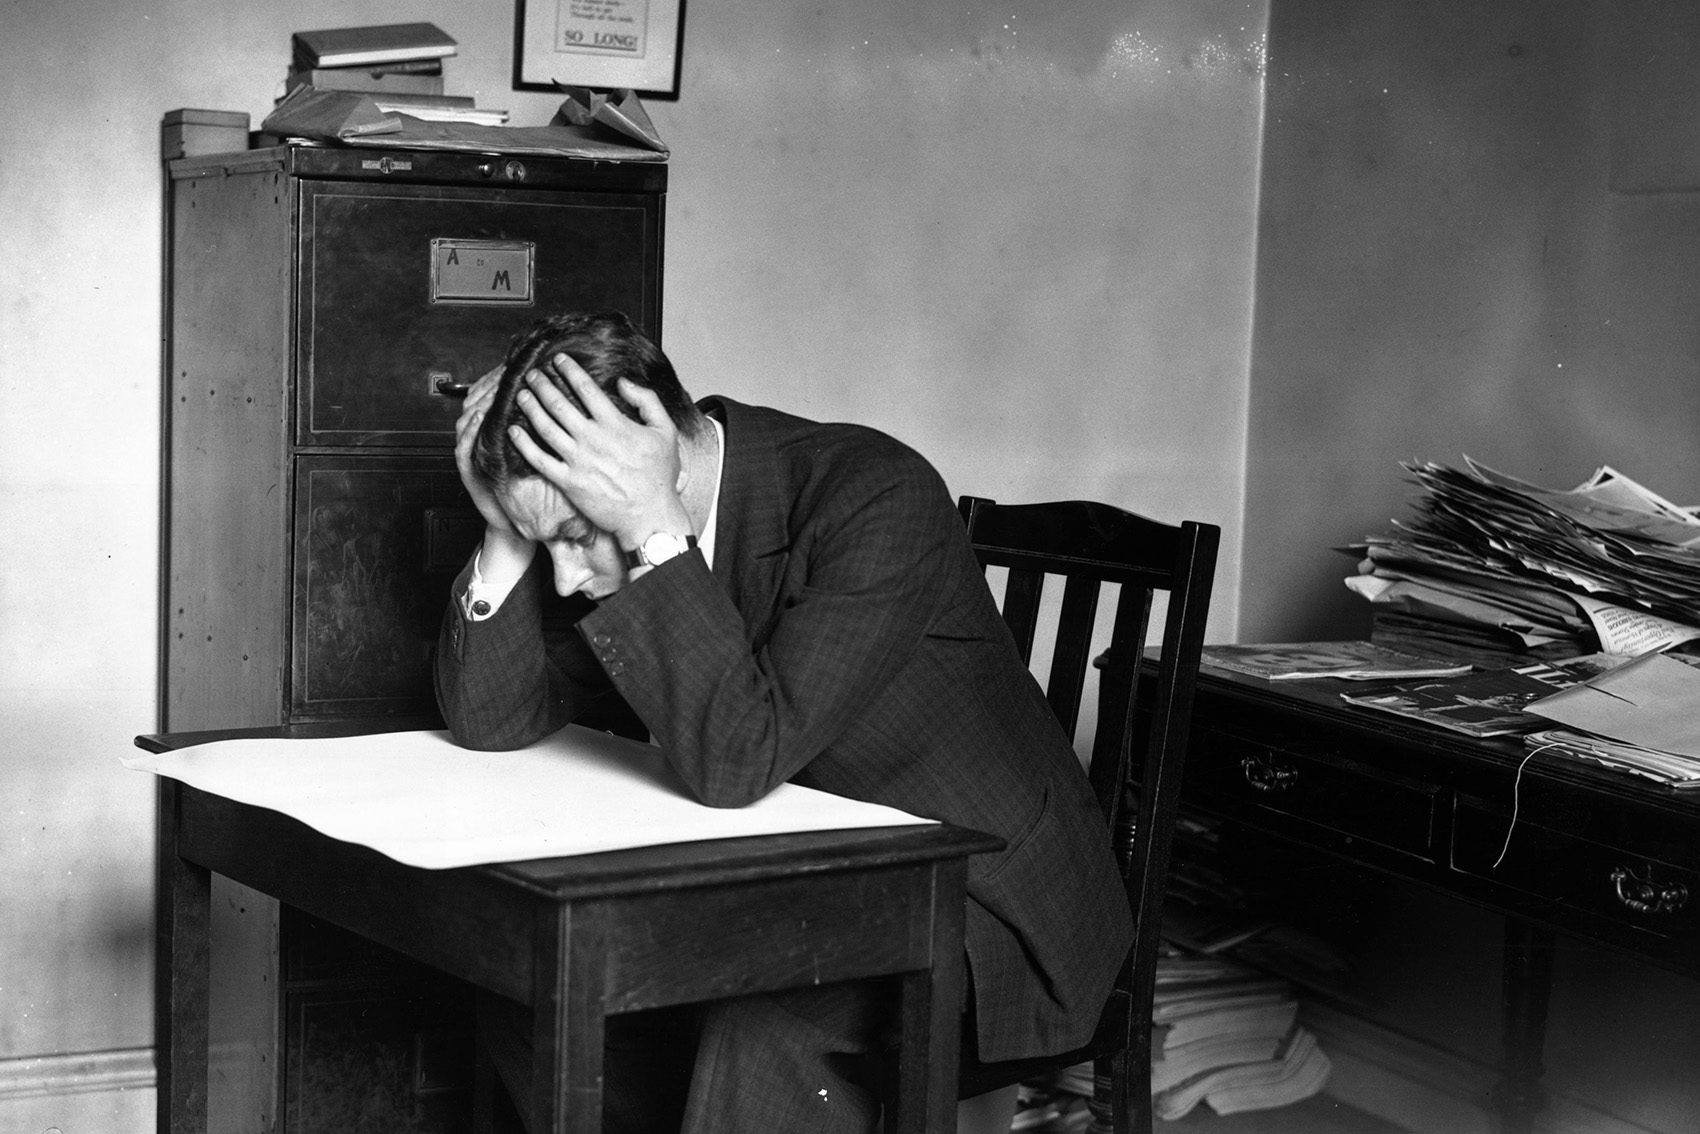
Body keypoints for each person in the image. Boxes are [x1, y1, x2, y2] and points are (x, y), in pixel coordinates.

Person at [436, 310, 1132, 1133]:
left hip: (982, 907)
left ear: (649, 459)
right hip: (795, 874)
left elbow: (737, 761)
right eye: (543, 543)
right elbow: (492, 720)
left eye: (578, 535)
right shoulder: (608, 540)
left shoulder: (875, 493)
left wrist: (655, 535)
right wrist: (507, 534)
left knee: (765, 1014)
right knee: (532, 978)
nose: (564, 579)